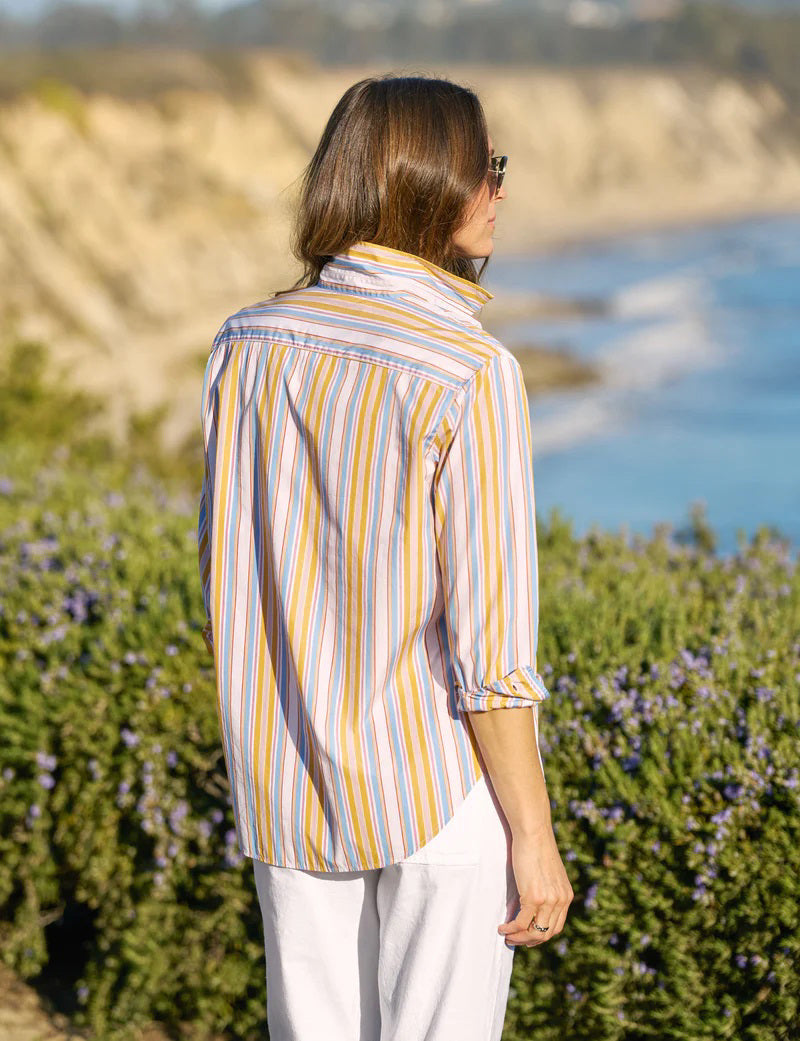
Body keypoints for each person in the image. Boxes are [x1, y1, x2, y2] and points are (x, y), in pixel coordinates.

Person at [197, 74, 573, 1041]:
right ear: (428, 186)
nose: (500, 191)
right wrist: (533, 839)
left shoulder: (245, 345)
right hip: (434, 789)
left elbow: (227, 572)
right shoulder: (470, 370)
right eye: (487, 168)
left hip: (286, 776)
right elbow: (491, 651)